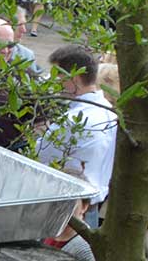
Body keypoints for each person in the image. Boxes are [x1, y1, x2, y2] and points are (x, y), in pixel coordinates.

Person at [36, 45, 116, 210]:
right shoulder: (111, 114)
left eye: (57, 75)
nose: (54, 81)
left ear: (75, 78)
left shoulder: (71, 122)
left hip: (69, 208)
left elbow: (39, 158)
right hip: (94, 202)